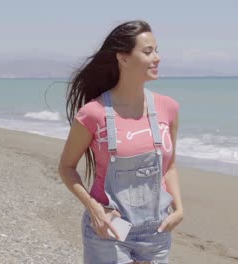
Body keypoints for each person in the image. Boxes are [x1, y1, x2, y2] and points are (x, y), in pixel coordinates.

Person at [58, 20, 183, 264]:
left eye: (157, 50)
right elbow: (66, 167)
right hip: (109, 231)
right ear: (123, 58)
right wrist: (94, 208)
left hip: (157, 234)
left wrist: (179, 209)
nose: (157, 58)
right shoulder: (93, 113)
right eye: (148, 52)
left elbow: (170, 167)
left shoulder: (169, 108)